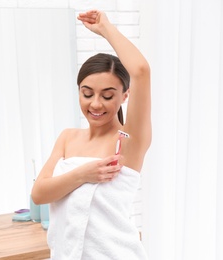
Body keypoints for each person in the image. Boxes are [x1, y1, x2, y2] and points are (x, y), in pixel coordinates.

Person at [31, 10, 151, 259]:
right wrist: (84, 174)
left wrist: (106, 28)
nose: (96, 104)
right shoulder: (67, 138)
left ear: (124, 96)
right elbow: (39, 193)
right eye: (87, 93)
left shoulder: (128, 142)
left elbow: (140, 70)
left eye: (107, 96)